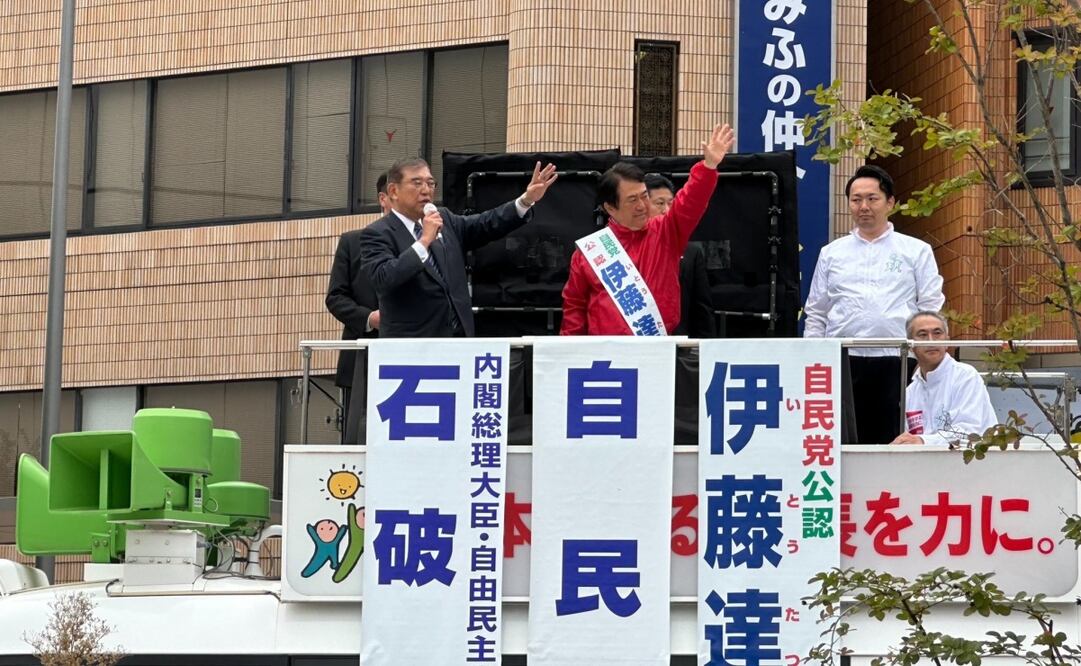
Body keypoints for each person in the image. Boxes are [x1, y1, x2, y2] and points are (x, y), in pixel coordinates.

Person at [804, 164, 945, 444]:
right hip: (842, 360)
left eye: (872, 198)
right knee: (842, 441)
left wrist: (928, 357)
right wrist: (813, 358)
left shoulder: (915, 250)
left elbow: (930, 307)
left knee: (895, 439)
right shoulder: (831, 253)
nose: (863, 206)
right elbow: (816, 312)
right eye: (856, 200)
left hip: (897, 359)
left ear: (890, 202)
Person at [560, 123, 734, 335]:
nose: (642, 206)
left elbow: (690, 203)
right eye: (632, 200)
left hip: (657, 352)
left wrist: (708, 167)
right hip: (605, 358)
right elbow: (574, 308)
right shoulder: (589, 251)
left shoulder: (666, 232)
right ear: (610, 208)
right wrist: (570, 352)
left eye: (644, 196)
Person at [360, 157, 558, 338]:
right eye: (417, 183)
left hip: (459, 341)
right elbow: (383, 278)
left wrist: (525, 200)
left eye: (430, 183)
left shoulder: (444, 218)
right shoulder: (377, 233)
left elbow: (485, 223)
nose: (426, 190)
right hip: (413, 348)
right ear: (393, 191)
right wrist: (424, 241)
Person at [325, 173, 389, 443]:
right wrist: (369, 318)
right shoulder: (353, 241)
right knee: (358, 438)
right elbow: (336, 297)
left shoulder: (429, 242)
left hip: (414, 356)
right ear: (384, 199)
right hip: (362, 356)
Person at [892, 311, 997, 445]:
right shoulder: (911, 392)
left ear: (947, 341)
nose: (931, 340)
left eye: (937, 333)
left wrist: (923, 441)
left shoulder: (965, 376)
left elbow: (969, 432)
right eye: (923, 335)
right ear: (911, 346)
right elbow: (911, 440)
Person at [645, 174, 717, 338]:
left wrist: (705, 348)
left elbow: (702, 308)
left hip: (678, 342)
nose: (666, 210)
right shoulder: (623, 247)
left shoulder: (691, 253)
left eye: (671, 203)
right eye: (660, 203)